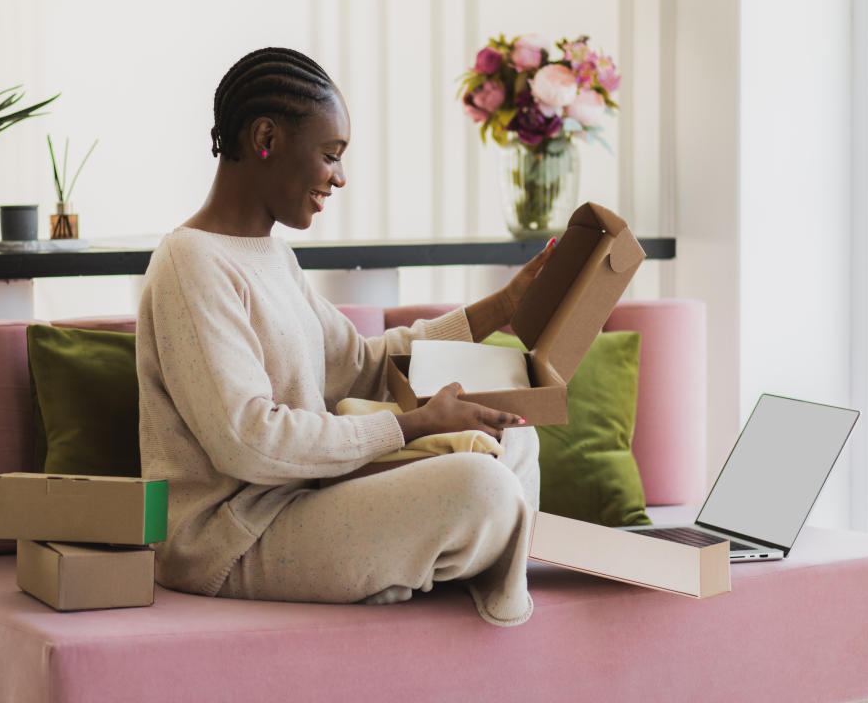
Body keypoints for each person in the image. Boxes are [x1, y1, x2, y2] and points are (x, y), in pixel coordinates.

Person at [136, 47, 555, 626]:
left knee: (516, 442)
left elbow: (362, 364)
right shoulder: (190, 263)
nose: (339, 177)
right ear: (266, 138)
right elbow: (246, 440)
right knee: (481, 487)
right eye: (330, 156)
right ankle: (443, 576)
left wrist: (501, 306)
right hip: (233, 535)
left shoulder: (273, 257)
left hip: (304, 499)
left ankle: (413, 569)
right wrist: (411, 426)